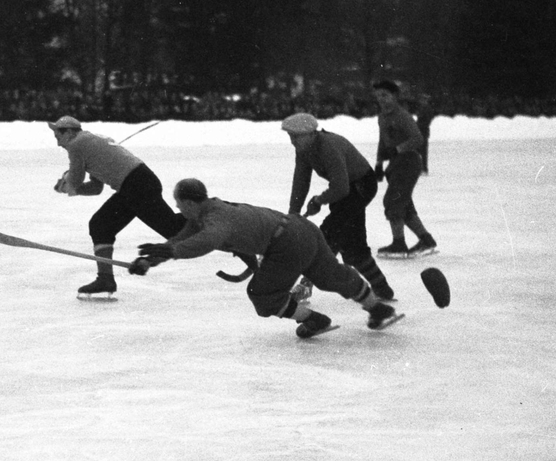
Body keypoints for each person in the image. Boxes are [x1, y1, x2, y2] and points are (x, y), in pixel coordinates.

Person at [131, 177, 400, 338]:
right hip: (300, 228)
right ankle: (378, 307)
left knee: (262, 294)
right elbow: (179, 241)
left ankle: (313, 319)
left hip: (287, 243)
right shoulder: (204, 212)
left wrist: (172, 251)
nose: (177, 208)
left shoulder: (216, 218)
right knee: (332, 277)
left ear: (189, 203)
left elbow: (207, 241)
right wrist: (149, 260)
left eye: (178, 203)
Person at [50, 115, 183, 297]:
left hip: (136, 186)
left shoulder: (77, 144)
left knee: (175, 231)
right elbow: (96, 188)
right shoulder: (90, 143)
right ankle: (105, 279)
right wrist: (73, 186)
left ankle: (225, 235)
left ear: (70, 132)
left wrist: (66, 184)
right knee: (100, 225)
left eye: (58, 137)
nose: (58, 144)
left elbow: (75, 180)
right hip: (136, 185)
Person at [281, 112, 395, 301]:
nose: (293, 141)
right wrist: (294, 212)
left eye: (296, 137)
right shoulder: (303, 150)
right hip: (346, 190)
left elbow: (340, 187)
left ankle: (305, 285)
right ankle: (382, 288)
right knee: (353, 246)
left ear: (311, 134)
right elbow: (301, 181)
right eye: (290, 136)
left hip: (361, 185)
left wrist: (319, 200)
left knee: (327, 235)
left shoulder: (329, 146)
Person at [372, 79, 437, 258]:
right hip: (395, 164)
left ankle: (399, 244)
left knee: (393, 201)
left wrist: (398, 149)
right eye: (378, 96)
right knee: (403, 203)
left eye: (385, 95)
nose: (381, 100)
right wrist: (379, 162)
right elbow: (382, 141)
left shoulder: (402, 115)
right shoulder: (382, 117)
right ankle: (426, 240)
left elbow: (418, 138)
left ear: (395, 96)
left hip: (408, 162)